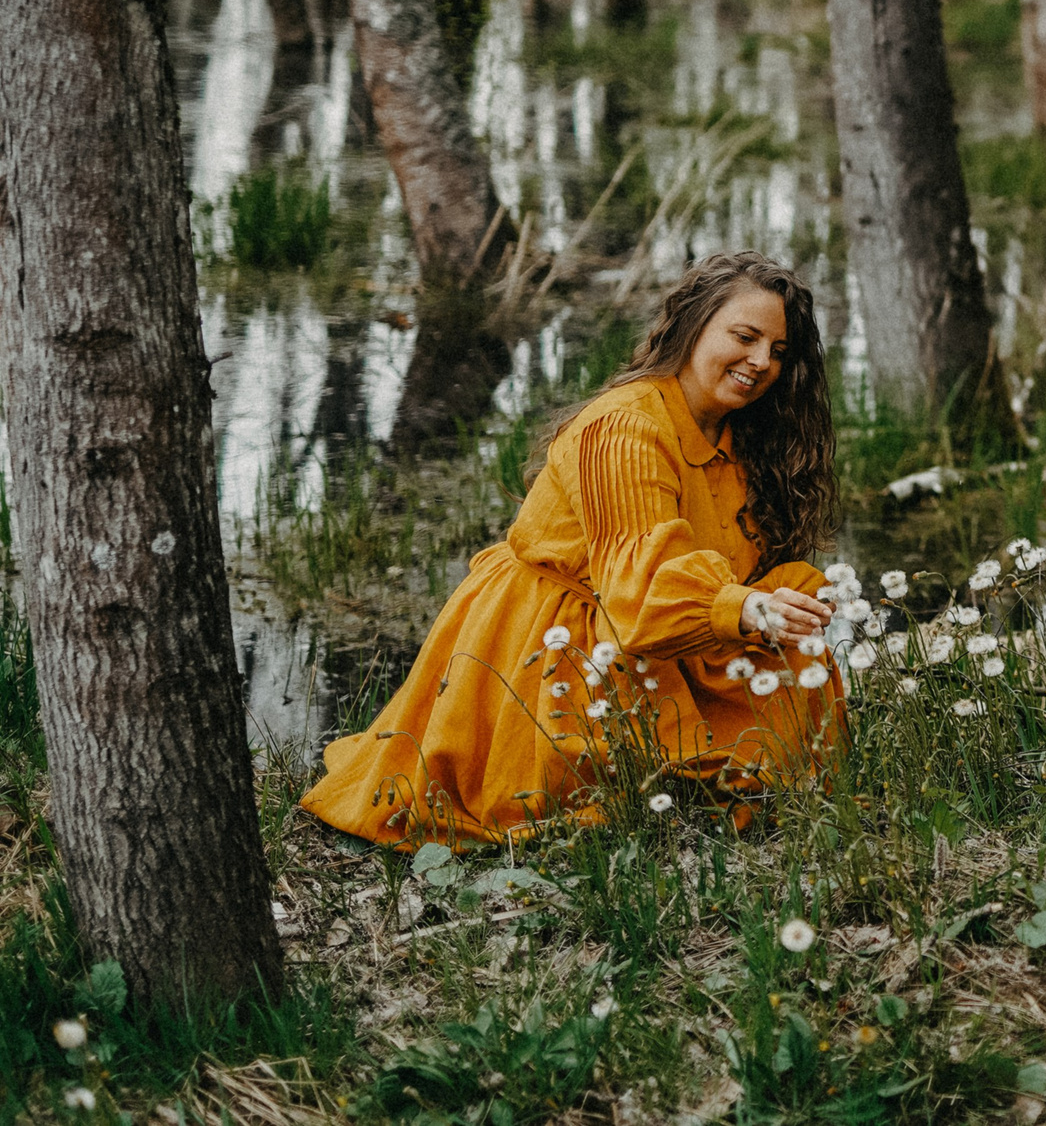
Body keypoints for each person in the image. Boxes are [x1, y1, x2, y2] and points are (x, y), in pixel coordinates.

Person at [302, 252, 843, 847]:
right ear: (692, 324)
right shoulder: (626, 427)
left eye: (780, 351)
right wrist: (743, 610)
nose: (762, 362)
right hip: (569, 636)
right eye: (744, 337)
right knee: (623, 803)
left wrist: (777, 600)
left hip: (667, 628)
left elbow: (727, 571)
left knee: (792, 699)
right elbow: (638, 590)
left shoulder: (748, 434)